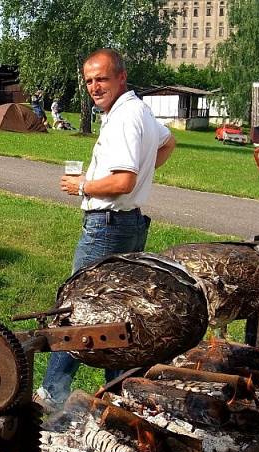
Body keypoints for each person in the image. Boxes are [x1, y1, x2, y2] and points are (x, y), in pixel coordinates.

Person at [35, 48, 177, 411]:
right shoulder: (138, 110)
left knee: (74, 311)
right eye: (88, 81)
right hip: (129, 223)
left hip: (107, 226)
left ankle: (52, 395)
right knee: (115, 310)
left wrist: (81, 185)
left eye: (101, 79)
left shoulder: (125, 118)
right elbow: (167, 142)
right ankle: (120, 392)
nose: (94, 87)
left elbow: (123, 181)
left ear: (121, 78)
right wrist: (146, 171)